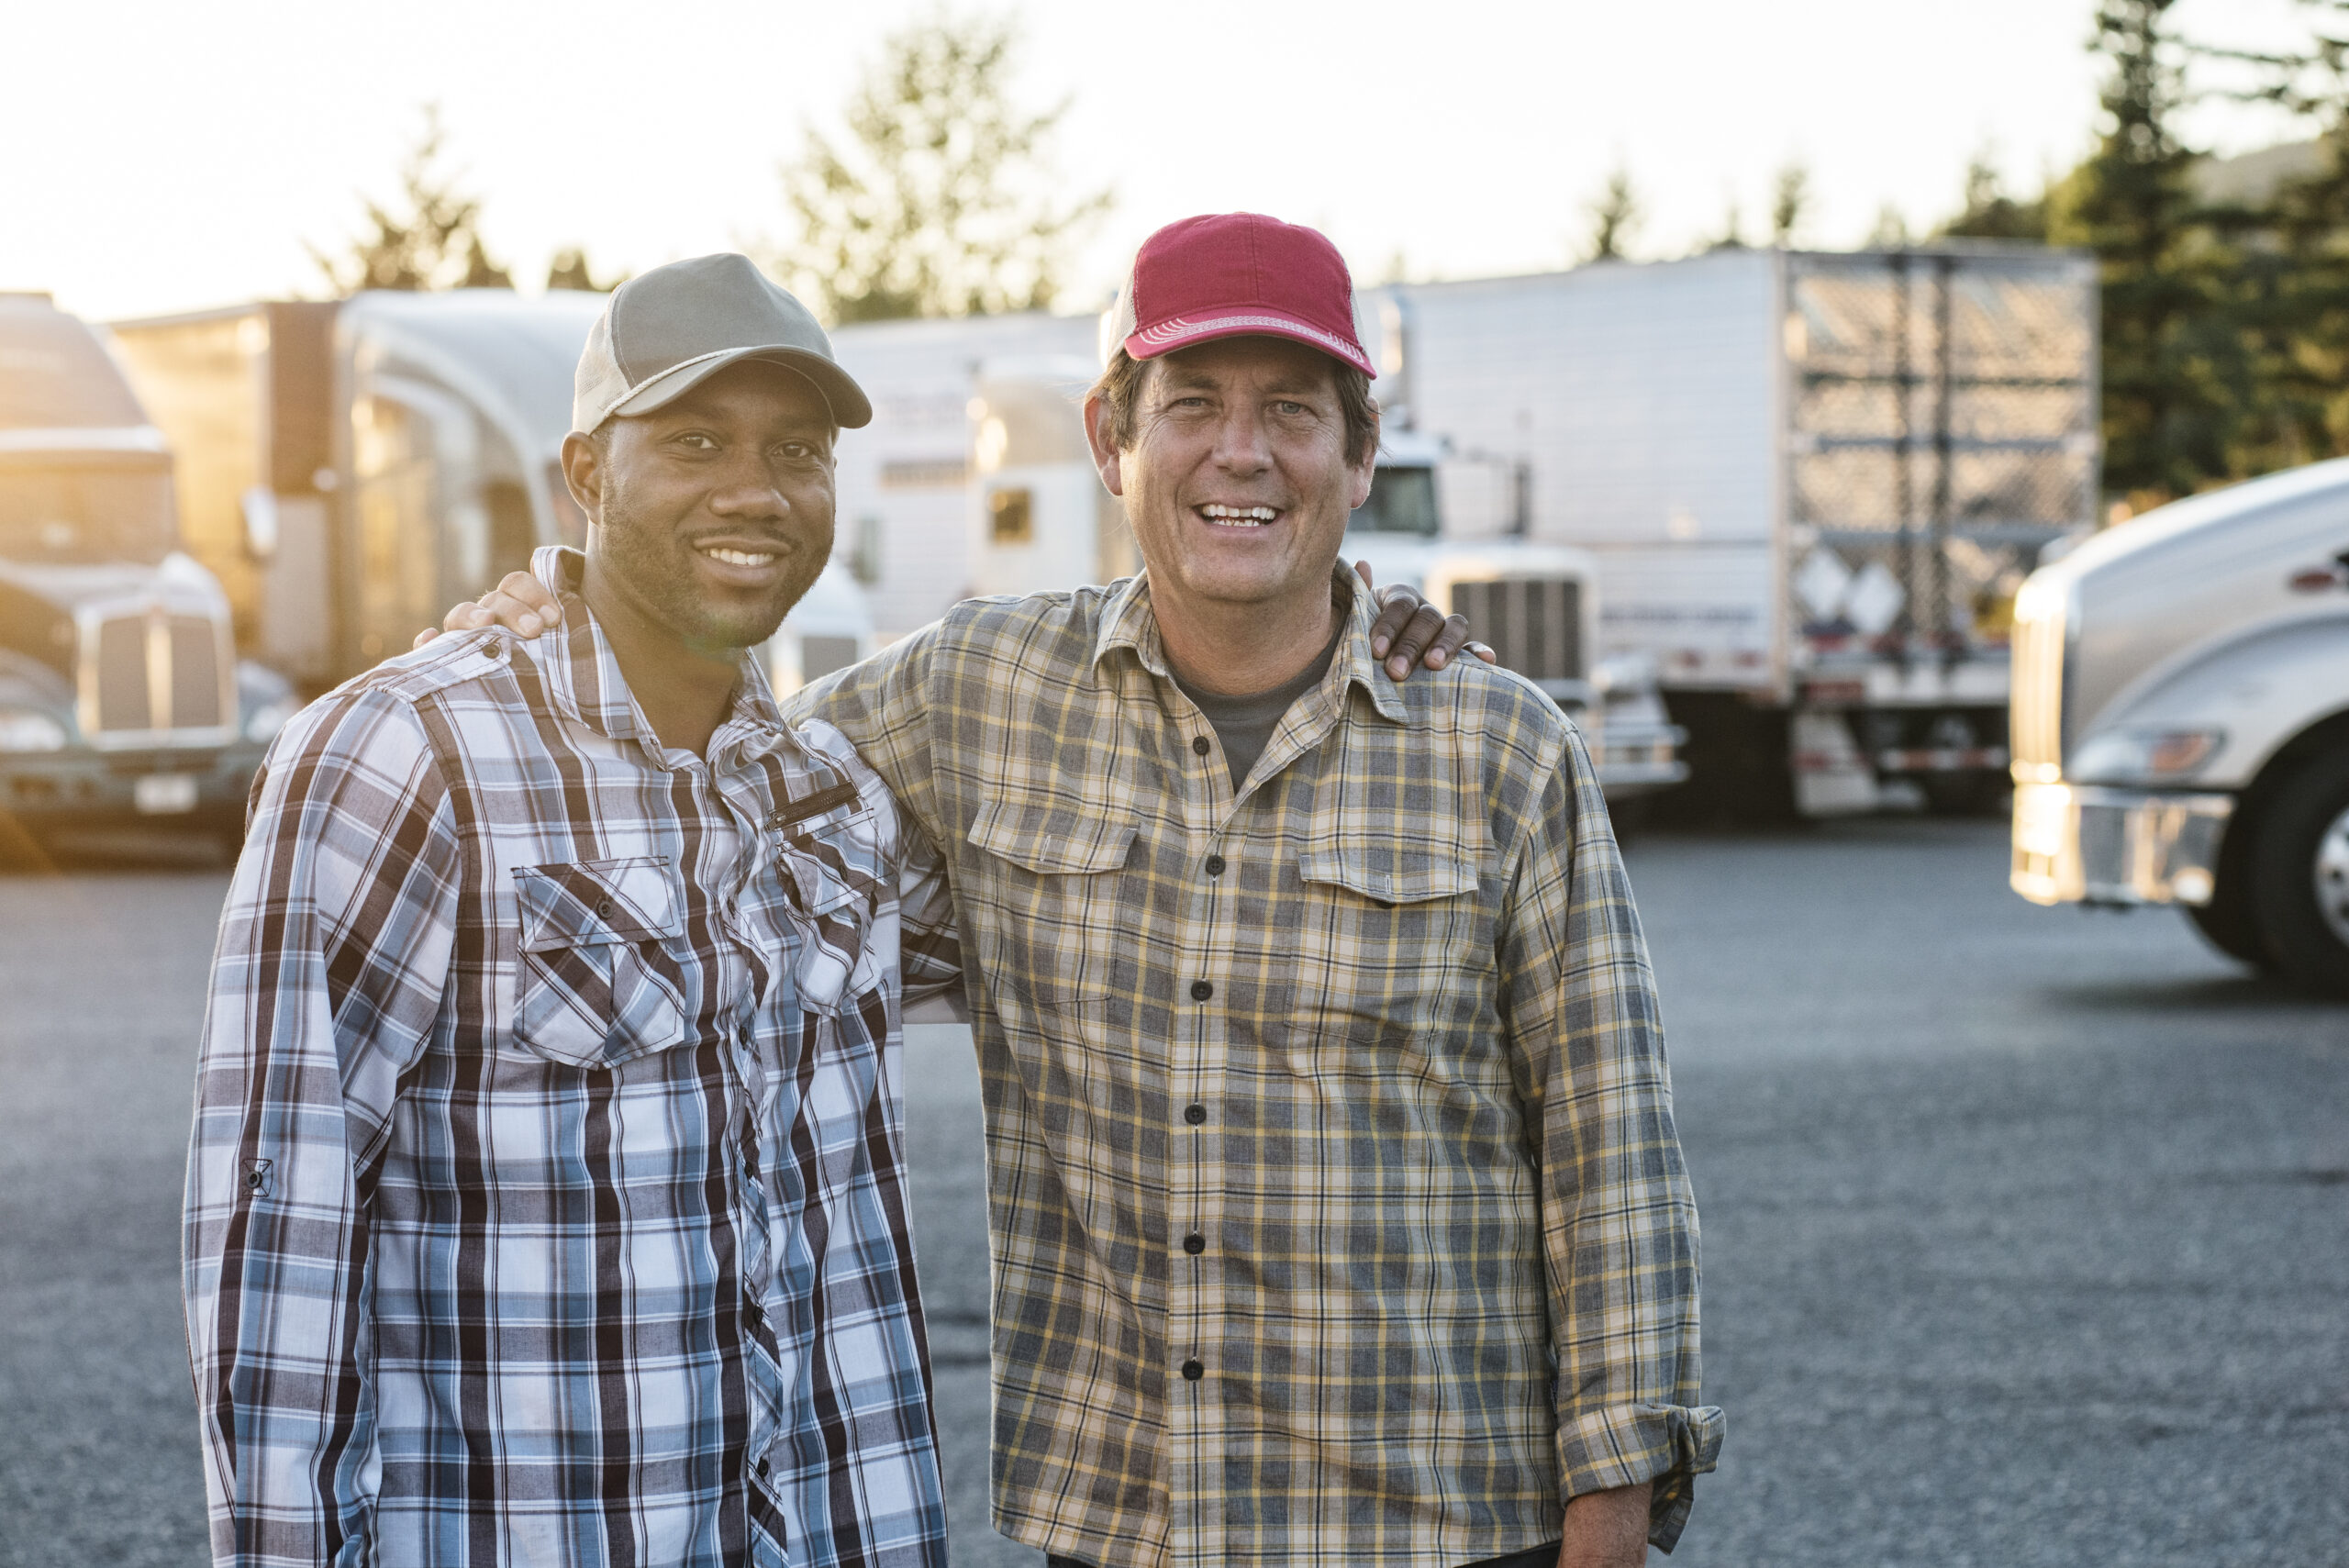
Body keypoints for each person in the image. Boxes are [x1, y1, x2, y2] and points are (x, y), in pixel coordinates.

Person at [446, 214, 1723, 1568]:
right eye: (1193, 405)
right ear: (1111, 440)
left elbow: (1611, 1156)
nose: (1243, 450)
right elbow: (709, 762)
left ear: (1359, 454)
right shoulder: (978, 689)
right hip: (1127, 1529)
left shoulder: (1501, 745)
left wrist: (1613, 1514)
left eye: (1293, 409)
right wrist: (555, 616)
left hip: (1446, 1526)